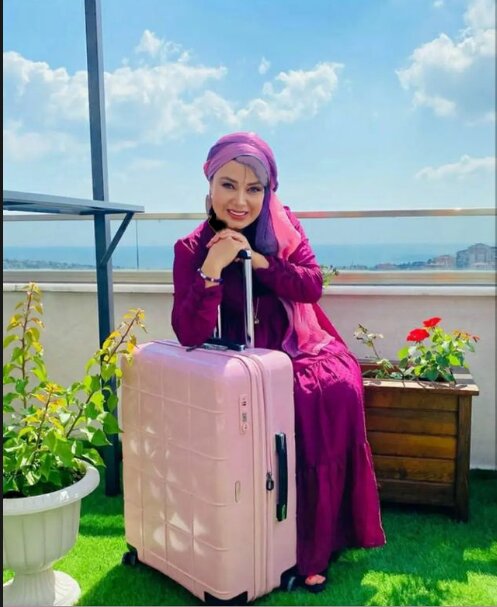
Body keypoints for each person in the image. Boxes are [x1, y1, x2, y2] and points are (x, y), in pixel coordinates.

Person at [172, 131, 386, 593]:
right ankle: (262, 536)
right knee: (289, 403)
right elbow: (188, 332)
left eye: (254, 188)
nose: (240, 200)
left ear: (268, 191)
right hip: (241, 357)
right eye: (228, 185)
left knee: (333, 389)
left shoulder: (283, 227)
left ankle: (317, 543)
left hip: (298, 342)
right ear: (209, 185)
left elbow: (311, 285)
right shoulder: (190, 248)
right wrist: (214, 267)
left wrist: (258, 261)